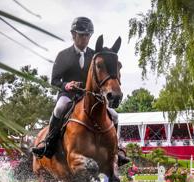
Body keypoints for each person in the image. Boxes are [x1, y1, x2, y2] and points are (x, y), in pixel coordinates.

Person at [32, 17, 129, 166]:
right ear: (73, 34)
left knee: (114, 115)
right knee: (59, 108)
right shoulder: (63, 55)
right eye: (81, 34)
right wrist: (67, 85)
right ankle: (48, 142)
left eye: (87, 35)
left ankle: (116, 149)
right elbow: (55, 81)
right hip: (68, 95)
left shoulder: (94, 56)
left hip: (89, 97)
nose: (84, 38)